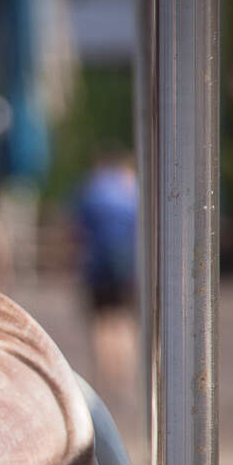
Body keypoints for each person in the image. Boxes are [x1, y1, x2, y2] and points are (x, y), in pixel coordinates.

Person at [73, 149, 139, 403]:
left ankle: (102, 379)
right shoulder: (130, 190)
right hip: (126, 265)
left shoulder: (92, 190)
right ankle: (123, 379)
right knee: (123, 323)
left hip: (96, 266)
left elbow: (77, 231)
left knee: (100, 325)